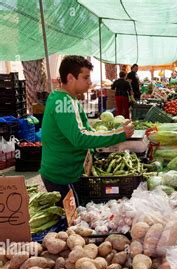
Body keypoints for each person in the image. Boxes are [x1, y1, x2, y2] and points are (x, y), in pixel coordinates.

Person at [40, 56, 134, 200]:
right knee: (74, 218)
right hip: (63, 176)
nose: (90, 82)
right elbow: (80, 137)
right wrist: (119, 135)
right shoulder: (63, 102)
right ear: (71, 78)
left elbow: (87, 129)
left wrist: (115, 131)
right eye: (86, 78)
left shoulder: (67, 98)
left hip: (70, 171)